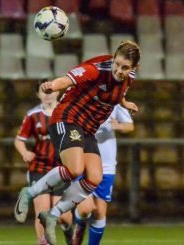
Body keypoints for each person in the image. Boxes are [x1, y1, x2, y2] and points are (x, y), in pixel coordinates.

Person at [14, 40, 140, 245]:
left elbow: (119, 93)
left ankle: (52, 215)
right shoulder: (96, 69)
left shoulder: (129, 77)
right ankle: (29, 193)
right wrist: (52, 85)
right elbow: (66, 80)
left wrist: (125, 103)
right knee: (74, 168)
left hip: (87, 129)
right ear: (113, 58)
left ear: (134, 68)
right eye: (116, 64)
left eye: (125, 67)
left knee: (95, 177)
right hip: (68, 118)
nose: (119, 70)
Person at [14, 79, 73, 245]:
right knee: (42, 212)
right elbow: (19, 140)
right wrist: (25, 152)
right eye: (43, 91)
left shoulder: (66, 113)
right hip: (39, 168)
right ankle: (42, 242)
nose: (47, 95)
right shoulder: (33, 115)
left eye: (50, 91)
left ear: (57, 92)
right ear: (38, 94)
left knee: (63, 216)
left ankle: (68, 230)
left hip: (61, 169)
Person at [72, 104, 134, 245]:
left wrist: (119, 126)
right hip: (83, 160)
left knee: (99, 212)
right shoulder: (81, 99)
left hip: (106, 165)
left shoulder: (115, 101)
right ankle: (80, 224)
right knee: (85, 209)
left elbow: (129, 126)